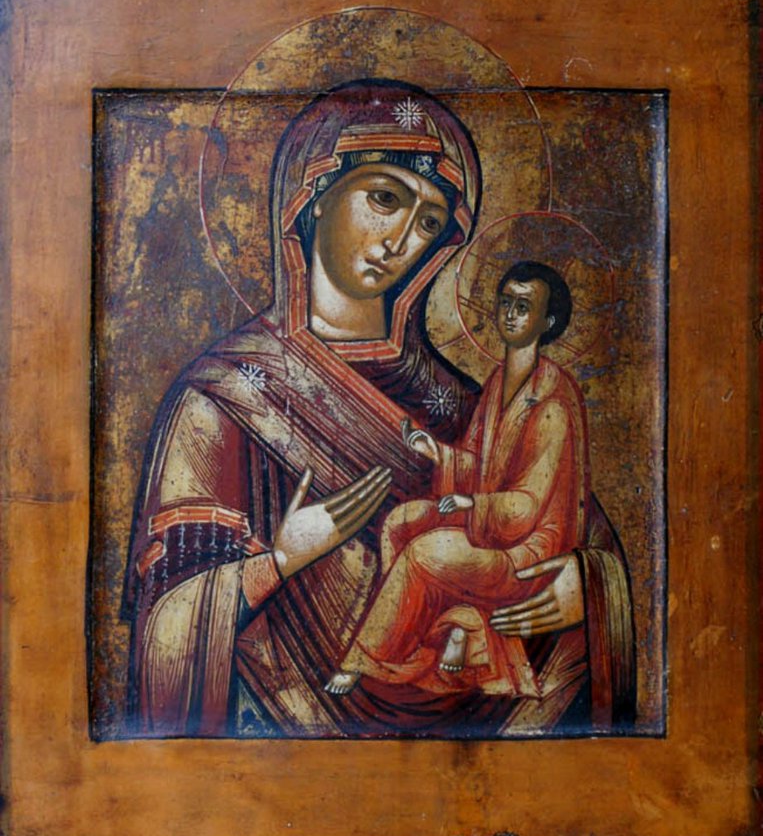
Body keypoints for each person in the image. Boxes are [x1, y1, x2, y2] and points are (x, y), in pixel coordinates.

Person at [121, 79, 634, 739]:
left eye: (428, 222)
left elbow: (574, 531)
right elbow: (168, 621)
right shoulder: (222, 398)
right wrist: (280, 561)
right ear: (311, 195)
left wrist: (587, 590)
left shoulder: (466, 400)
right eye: (385, 198)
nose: (402, 241)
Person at [326, 262, 590, 698]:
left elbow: (528, 504)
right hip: (488, 526)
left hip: (525, 551)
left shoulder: (551, 404)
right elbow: (478, 464)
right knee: (400, 524)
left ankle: (364, 660)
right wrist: (438, 453)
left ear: (547, 322)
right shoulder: (499, 382)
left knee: (423, 553)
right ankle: (455, 626)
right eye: (505, 302)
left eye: (523, 307)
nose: (509, 314)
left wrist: (474, 505)